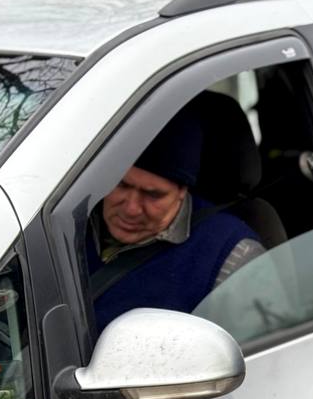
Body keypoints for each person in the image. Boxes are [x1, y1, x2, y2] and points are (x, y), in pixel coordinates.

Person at [86, 96, 264, 330]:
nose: (131, 208)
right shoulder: (65, 222)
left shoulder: (231, 254)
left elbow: (259, 359)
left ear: (182, 190)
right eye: (122, 185)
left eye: (153, 195)